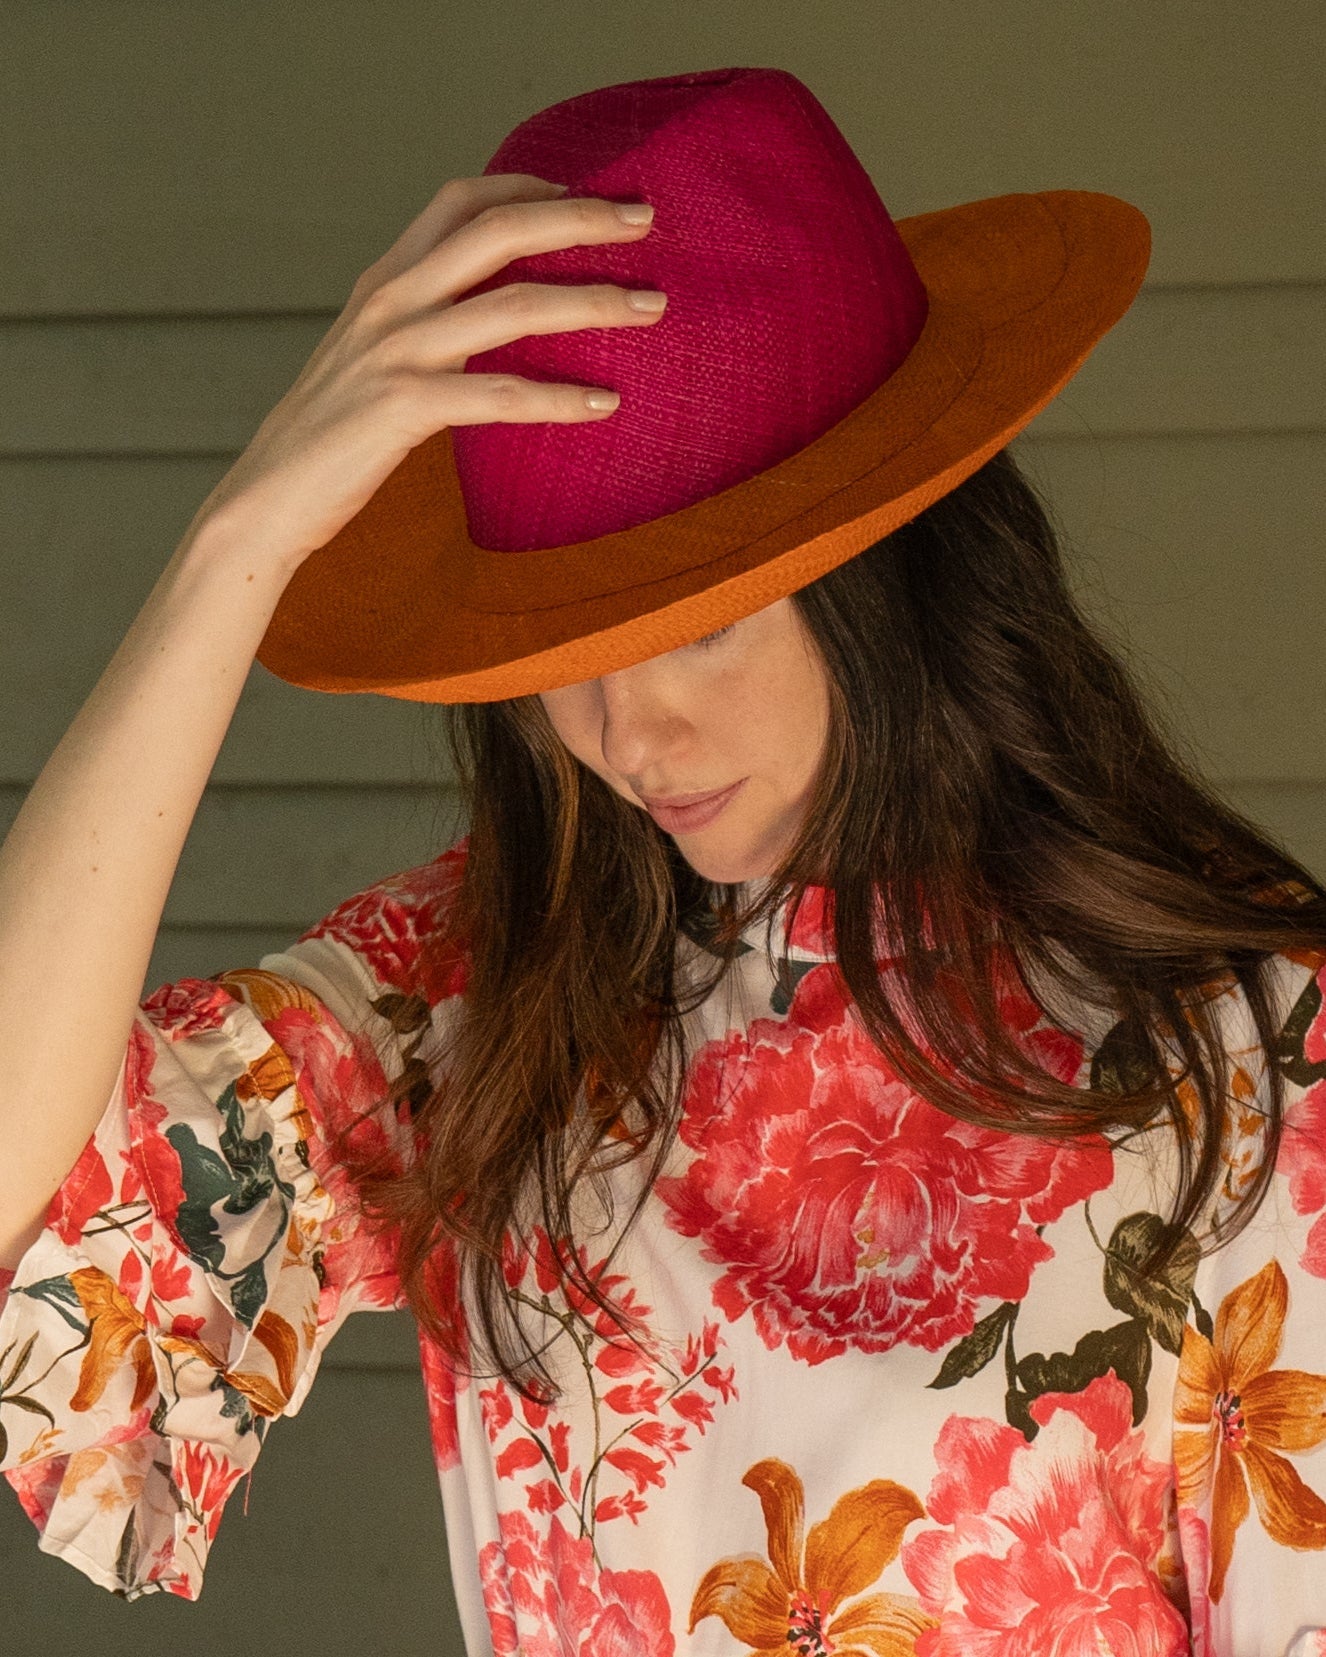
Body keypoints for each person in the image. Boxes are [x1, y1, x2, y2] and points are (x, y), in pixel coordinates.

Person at [1, 63, 1324, 1657]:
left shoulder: (1246, 1056)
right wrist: (237, 546)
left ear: (886, 558)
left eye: (698, 623)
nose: (627, 734)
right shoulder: (501, 990)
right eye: (568, 648)